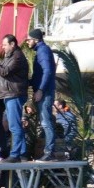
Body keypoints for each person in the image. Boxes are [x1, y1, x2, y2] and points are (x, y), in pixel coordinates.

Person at [0, 34, 29, 163]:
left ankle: (15, 154)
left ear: (12, 44)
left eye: (5, 44)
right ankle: (22, 153)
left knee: (14, 126)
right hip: (8, 94)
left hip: (14, 94)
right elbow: (1, 70)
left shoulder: (17, 57)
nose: (2, 47)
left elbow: (4, 72)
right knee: (14, 125)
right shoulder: (9, 57)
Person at [27, 28, 57, 161]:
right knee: (45, 121)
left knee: (46, 122)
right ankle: (48, 150)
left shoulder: (43, 51)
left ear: (35, 39)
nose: (27, 42)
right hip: (43, 90)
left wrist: (40, 90)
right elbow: (38, 74)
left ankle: (49, 151)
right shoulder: (41, 50)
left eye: (29, 39)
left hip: (45, 92)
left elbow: (47, 71)